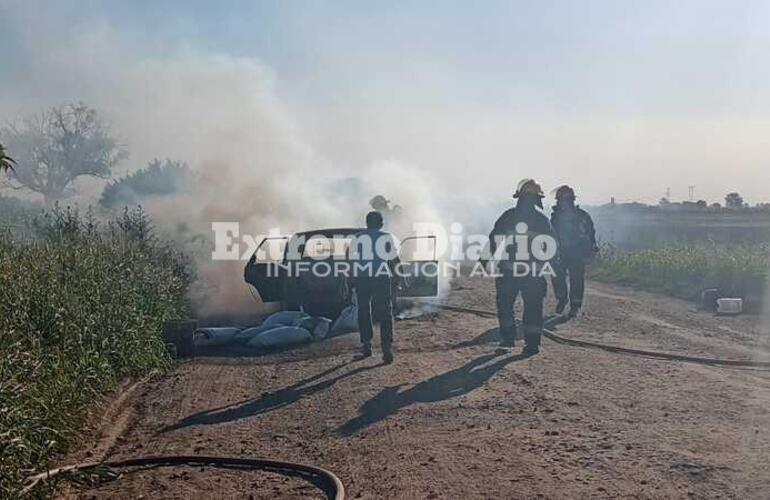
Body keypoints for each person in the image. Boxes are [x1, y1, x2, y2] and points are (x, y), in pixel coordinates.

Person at [487, 179, 556, 355]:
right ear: (537, 199)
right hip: (532, 274)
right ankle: (531, 345)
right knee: (533, 308)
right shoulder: (541, 220)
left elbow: (494, 240)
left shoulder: (508, 216)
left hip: (509, 272)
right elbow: (552, 246)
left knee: (506, 307)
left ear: (519, 197)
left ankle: (508, 341)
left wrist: (487, 260)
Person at [349, 211, 400, 364]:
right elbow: (393, 260)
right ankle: (386, 349)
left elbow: (350, 259)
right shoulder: (386, 237)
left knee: (364, 310)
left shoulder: (357, 237)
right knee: (385, 311)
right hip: (381, 277)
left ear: (367, 223)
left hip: (362, 278)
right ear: (380, 223)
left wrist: (349, 279)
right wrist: (398, 279)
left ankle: (366, 345)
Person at [550, 185, 598, 317]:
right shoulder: (555, 217)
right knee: (557, 276)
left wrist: (590, 249)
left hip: (577, 252)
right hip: (560, 252)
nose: (563, 202)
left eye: (565, 199)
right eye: (561, 200)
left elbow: (590, 233)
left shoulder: (582, 216)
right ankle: (562, 298)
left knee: (576, 279)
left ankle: (575, 305)